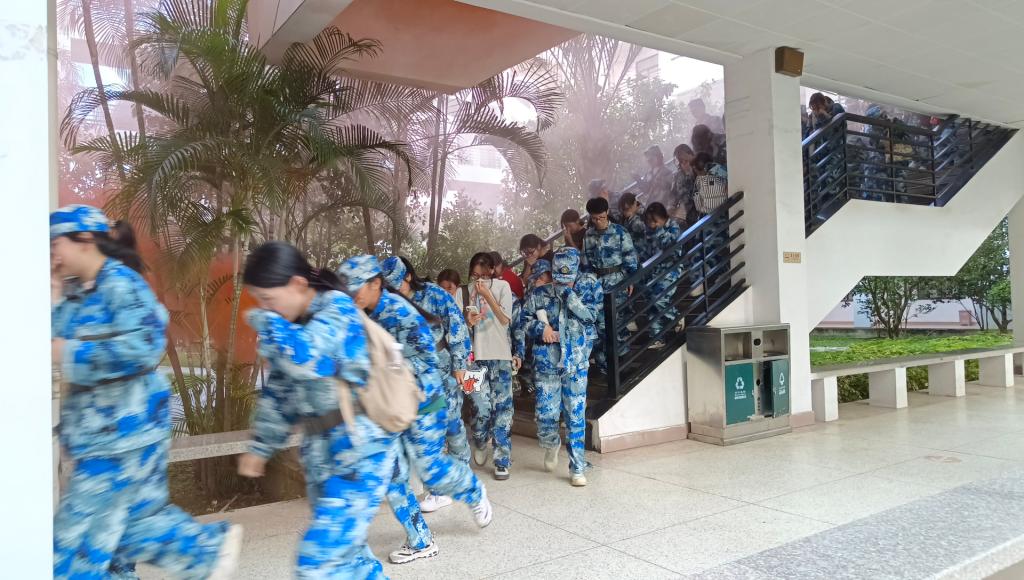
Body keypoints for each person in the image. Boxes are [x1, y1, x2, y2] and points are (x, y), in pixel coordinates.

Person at [50, 205, 240, 580]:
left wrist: (70, 353)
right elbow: (53, 338)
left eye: (56, 244)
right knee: (128, 533)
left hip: (123, 436)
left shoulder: (122, 284)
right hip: (103, 437)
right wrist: (55, 293)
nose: (52, 253)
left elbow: (145, 346)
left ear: (84, 240)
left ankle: (203, 551)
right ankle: (204, 551)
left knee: (72, 548)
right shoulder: (75, 292)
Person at [238, 242, 393, 577]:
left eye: (268, 299)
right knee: (353, 559)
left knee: (316, 561)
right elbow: (280, 395)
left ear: (297, 284)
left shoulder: (337, 308)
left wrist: (265, 321)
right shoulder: (291, 325)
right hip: (321, 455)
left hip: (360, 454)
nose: (265, 309)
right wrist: (261, 447)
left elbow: (309, 359)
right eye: (259, 302)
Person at [338, 255, 493, 564]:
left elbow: (427, 359)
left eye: (357, 288)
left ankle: (473, 490)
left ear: (376, 284)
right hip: (388, 405)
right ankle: (420, 540)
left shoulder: (401, 313)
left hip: (423, 400)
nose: (352, 294)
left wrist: (388, 366)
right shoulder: (362, 313)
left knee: (431, 467)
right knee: (393, 474)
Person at [381, 256, 472, 513]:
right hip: (411, 375)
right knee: (427, 428)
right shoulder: (389, 303)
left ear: (408, 276)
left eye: (397, 284)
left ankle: (461, 473)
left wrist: (460, 364)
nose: (394, 290)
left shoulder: (434, 294)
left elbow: (457, 326)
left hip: (442, 367)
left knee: (452, 422)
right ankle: (438, 489)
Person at [520, 250, 598, 486]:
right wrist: (540, 329)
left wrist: (570, 296)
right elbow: (523, 320)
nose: (562, 284)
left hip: (576, 362)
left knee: (575, 415)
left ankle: (577, 467)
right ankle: (551, 442)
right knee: (546, 414)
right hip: (547, 363)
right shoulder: (539, 294)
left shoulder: (588, 288)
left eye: (568, 279)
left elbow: (591, 316)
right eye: (558, 279)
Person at [456, 252, 516, 480]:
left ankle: (502, 460)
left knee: (503, 410)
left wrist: (487, 295)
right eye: (474, 275)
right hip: (473, 361)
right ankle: (480, 441)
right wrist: (468, 322)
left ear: (492, 270)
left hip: (501, 357)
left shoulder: (502, 287)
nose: (478, 280)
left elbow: (505, 320)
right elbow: (456, 329)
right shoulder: (463, 292)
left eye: (483, 274)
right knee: (479, 407)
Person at [582, 196, 639, 373]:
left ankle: (624, 361)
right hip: (597, 284)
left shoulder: (620, 232)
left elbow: (630, 256)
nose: (598, 221)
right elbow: (585, 262)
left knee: (618, 323)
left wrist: (630, 279)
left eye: (601, 217)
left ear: (607, 212)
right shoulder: (588, 235)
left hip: (617, 281)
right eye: (594, 218)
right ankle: (605, 366)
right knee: (600, 326)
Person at [643, 203, 686, 349]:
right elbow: (647, 249)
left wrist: (658, 230)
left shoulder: (673, 227)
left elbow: (670, 246)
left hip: (670, 269)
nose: (652, 224)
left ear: (663, 217)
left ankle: (676, 317)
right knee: (651, 303)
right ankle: (656, 338)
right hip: (653, 271)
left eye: (655, 221)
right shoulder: (649, 230)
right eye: (650, 221)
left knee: (658, 298)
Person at [671, 144, 698, 225]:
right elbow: (673, 197)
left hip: (702, 215)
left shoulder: (701, 169)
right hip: (685, 219)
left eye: (686, 161)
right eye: (681, 162)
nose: (684, 164)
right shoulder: (677, 176)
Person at [618, 192, 648, 260]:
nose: (625, 212)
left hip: (642, 252)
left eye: (627, 209)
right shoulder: (624, 218)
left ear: (634, 203)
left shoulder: (643, 214)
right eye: (623, 210)